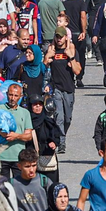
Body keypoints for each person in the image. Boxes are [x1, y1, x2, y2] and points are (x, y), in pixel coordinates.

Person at [0, 82, 33, 178]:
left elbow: (28, 136)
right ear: (7, 94)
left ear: (20, 96)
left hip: (18, 157)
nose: (12, 98)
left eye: (16, 95)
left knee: (19, 186)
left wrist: (16, 136)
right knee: (3, 188)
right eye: (11, 94)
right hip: (0, 156)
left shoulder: (25, 113)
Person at [45, 25, 82, 153]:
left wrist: (71, 57)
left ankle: (62, 135)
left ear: (66, 38)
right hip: (56, 89)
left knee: (67, 118)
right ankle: (61, 143)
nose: (59, 39)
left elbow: (78, 71)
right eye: (57, 37)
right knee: (59, 117)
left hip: (69, 88)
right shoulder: (52, 51)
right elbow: (43, 68)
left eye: (61, 37)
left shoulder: (71, 51)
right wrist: (47, 58)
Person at [11, 147, 48, 211]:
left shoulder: (44, 181)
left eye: (34, 165)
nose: (31, 170)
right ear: (19, 166)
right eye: (27, 166)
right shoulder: (12, 184)